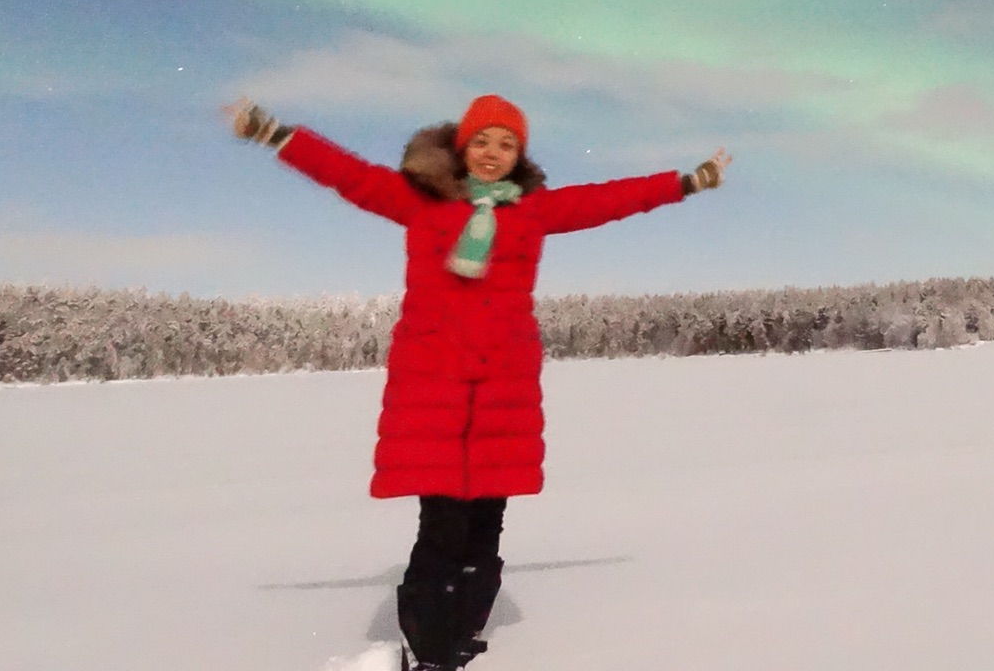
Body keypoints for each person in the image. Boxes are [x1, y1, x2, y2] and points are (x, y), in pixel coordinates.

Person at [224, 92, 729, 671]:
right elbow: (348, 174)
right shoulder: (421, 201)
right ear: (462, 147)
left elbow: (607, 200)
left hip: (503, 386)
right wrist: (275, 134)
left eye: (507, 143)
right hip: (432, 382)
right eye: (482, 141)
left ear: (520, 154)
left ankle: (464, 628)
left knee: (487, 522)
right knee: (442, 522)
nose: (493, 154)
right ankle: (430, 646)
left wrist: (689, 181)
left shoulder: (532, 211)